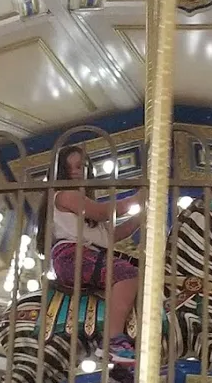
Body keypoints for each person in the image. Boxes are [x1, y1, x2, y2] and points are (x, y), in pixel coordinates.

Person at [36, 145, 145, 365]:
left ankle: (120, 367)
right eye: (73, 167)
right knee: (127, 274)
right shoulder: (64, 195)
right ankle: (113, 342)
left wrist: (141, 217)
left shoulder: (83, 209)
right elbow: (103, 212)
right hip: (71, 255)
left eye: (83, 166)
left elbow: (112, 235)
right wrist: (138, 197)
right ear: (62, 172)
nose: (79, 171)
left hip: (89, 254)